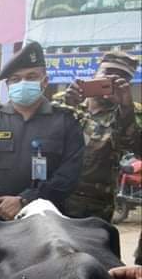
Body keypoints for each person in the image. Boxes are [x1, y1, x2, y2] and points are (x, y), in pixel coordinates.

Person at [0, 41, 85, 227]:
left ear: (44, 81)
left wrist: (24, 201)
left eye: (31, 77)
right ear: (8, 85)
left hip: (48, 219)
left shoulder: (66, 121)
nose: (23, 83)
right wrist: (4, 204)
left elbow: (69, 174)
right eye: (15, 79)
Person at [58, 51, 141, 222]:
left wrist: (125, 108)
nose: (112, 79)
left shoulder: (130, 114)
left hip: (95, 206)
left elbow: (135, 148)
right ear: (94, 74)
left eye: (121, 77)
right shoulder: (65, 102)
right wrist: (67, 109)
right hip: (54, 196)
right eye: (107, 72)